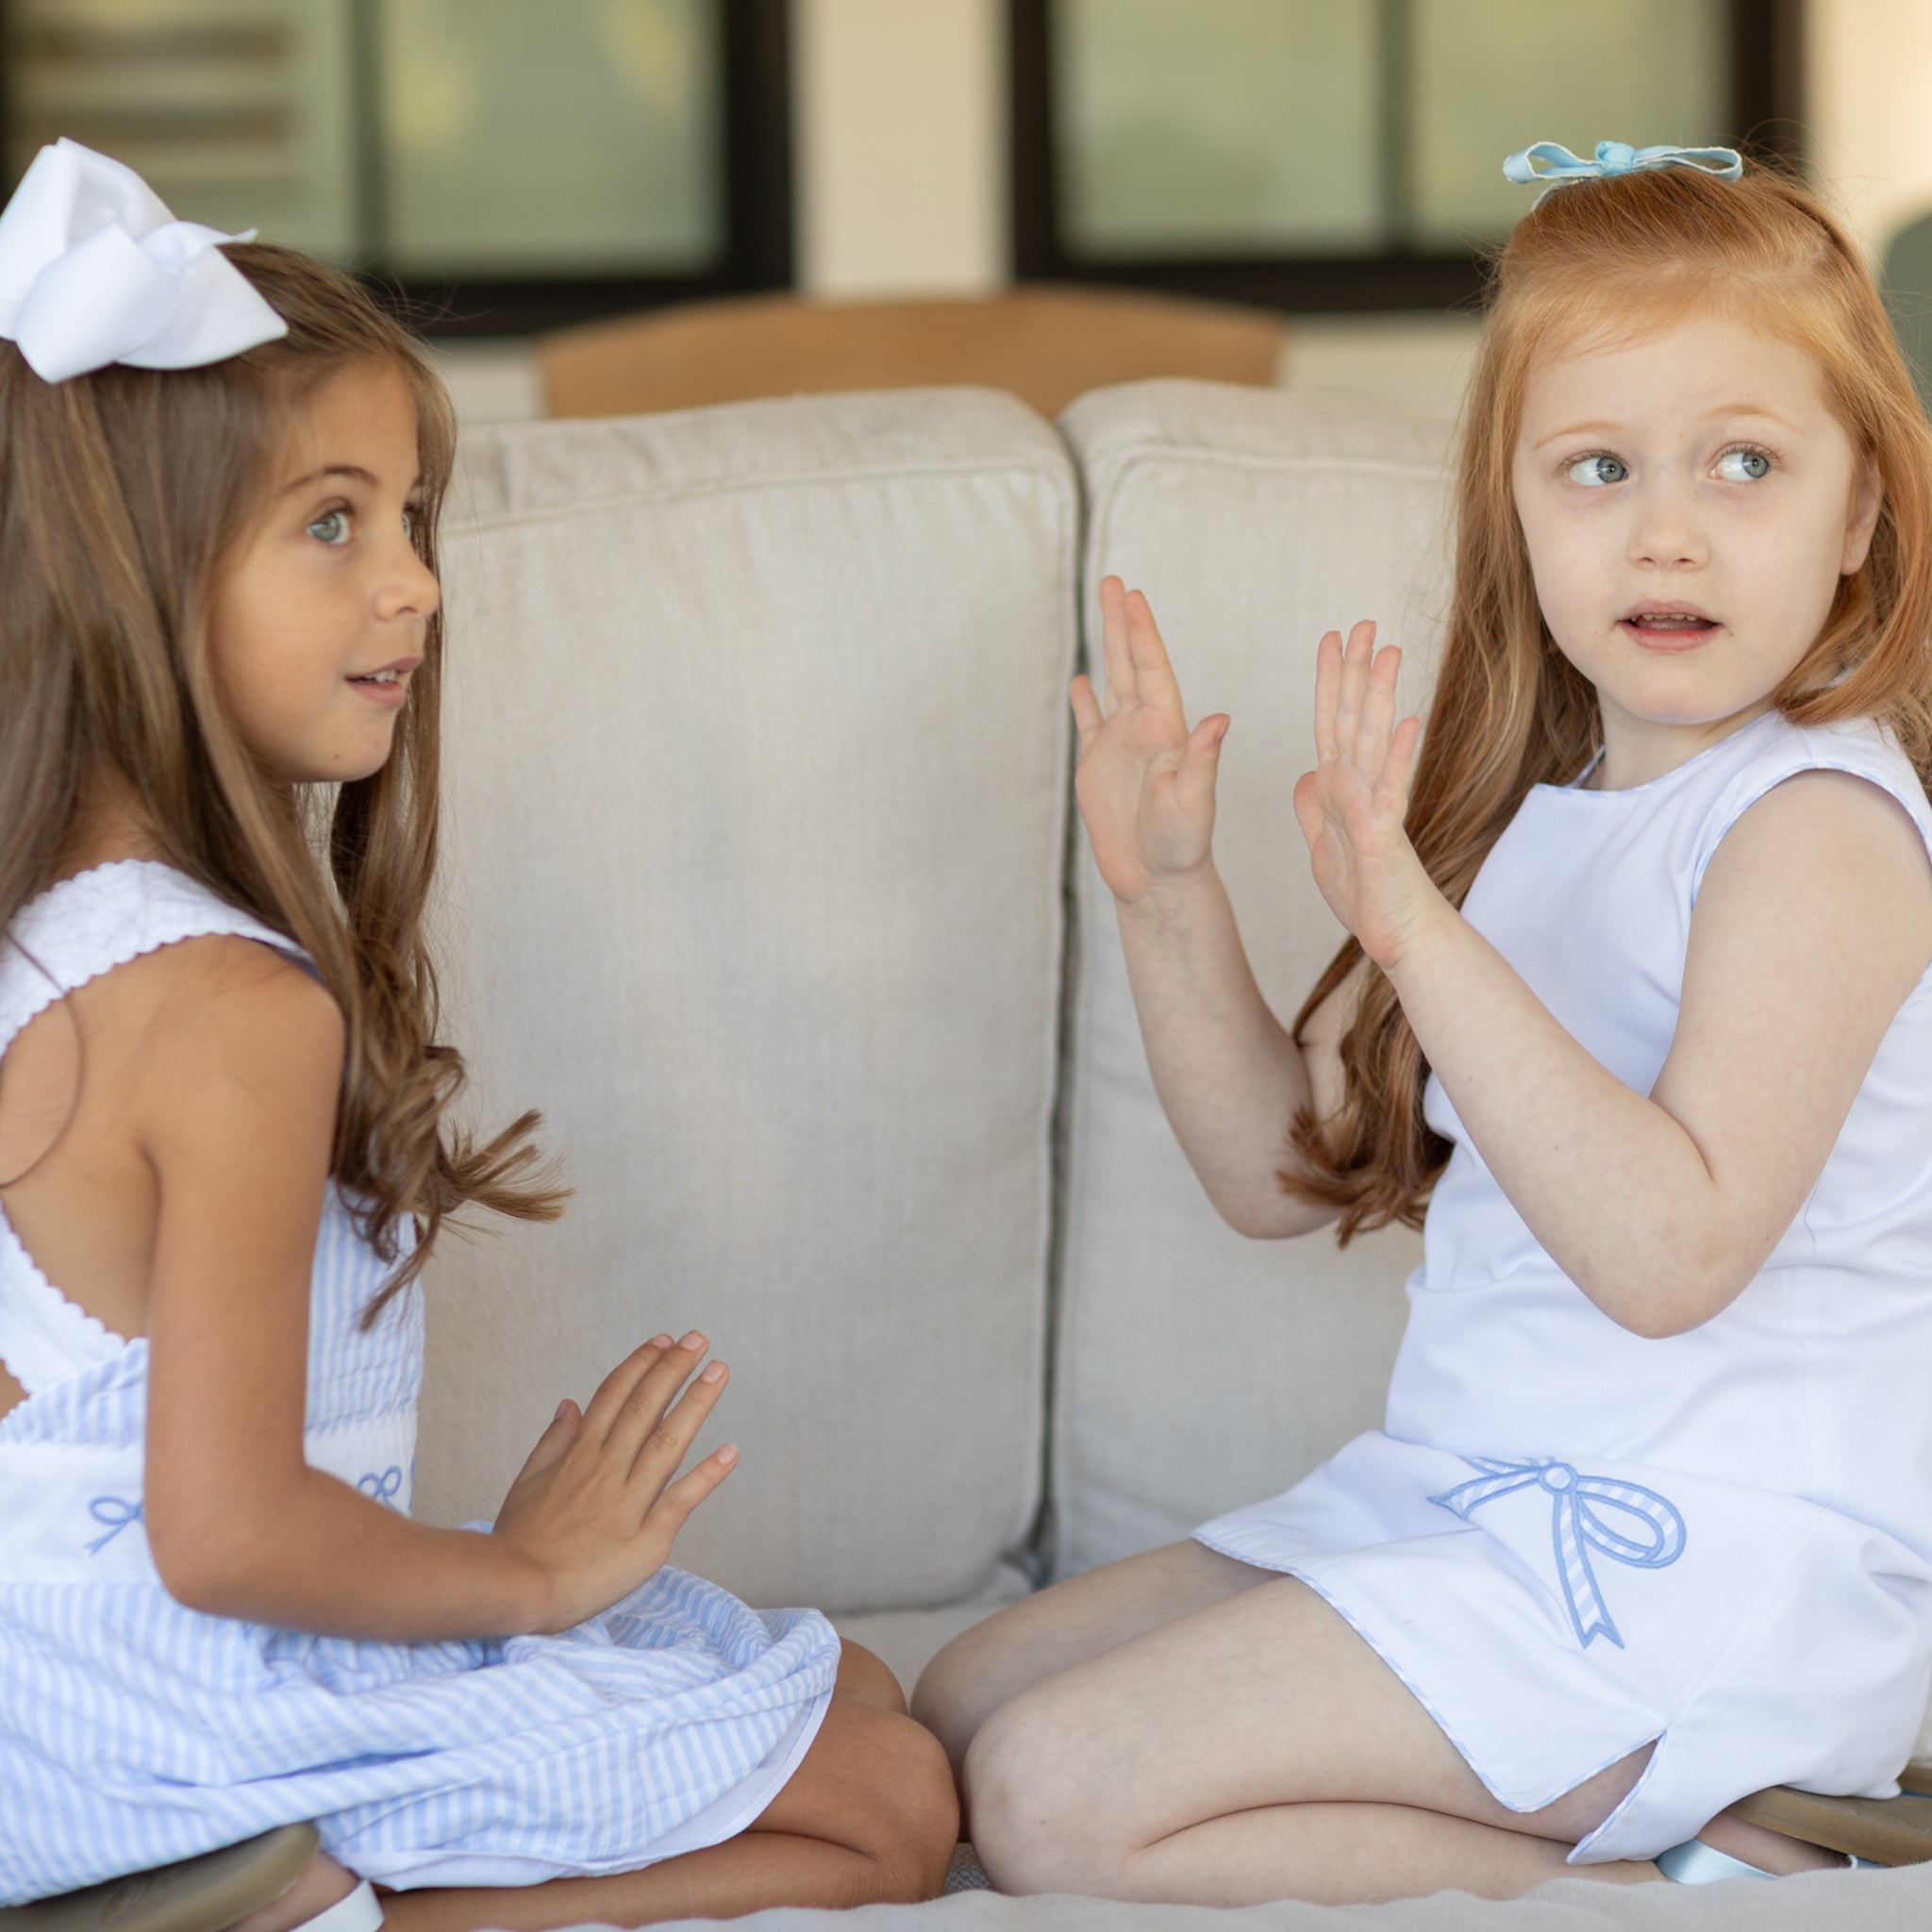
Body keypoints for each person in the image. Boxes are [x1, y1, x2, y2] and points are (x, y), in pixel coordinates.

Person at [914, 140, 1932, 1903]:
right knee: (965, 1699)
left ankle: (1701, 1867)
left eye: (1747, 464)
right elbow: (1278, 1172)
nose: (1667, 528)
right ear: (1515, 517)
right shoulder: (1538, 827)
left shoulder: (1821, 830)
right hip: (1468, 1502)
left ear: (1860, 517)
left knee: (1053, 1799)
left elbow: (1672, 1256)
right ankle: (1681, 1830)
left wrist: (1410, 929)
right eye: (1598, 467)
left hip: (1715, 1560)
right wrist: (1170, 897)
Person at [0, 141, 956, 1930]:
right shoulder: (231, 1011)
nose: (417, 582)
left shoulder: (47, 936)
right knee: (890, 1806)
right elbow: (225, 1534)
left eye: (415, 516)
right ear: (141, 573)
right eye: (334, 521)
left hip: (53, 1713)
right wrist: (524, 1580)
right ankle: (289, 1906)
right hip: (187, 1720)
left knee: (856, 1691)